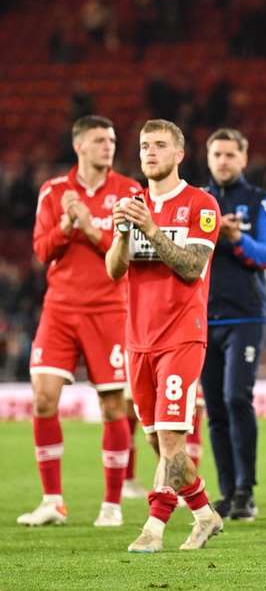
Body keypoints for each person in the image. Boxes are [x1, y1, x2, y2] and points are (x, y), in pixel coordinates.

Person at [106, 119, 223, 552]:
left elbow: (193, 266)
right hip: (139, 337)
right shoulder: (131, 204)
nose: (149, 153)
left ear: (179, 154)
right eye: (143, 146)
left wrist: (151, 230)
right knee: (158, 440)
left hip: (182, 335)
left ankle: (153, 528)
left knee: (173, 439)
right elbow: (114, 269)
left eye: (159, 145)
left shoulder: (200, 203)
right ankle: (205, 514)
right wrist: (122, 233)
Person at [19, 115, 141, 528]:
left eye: (111, 139)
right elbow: (41, 251)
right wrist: (66, 224)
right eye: (99, 140)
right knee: (43, 399)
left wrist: (89, 228)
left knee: (112, 407)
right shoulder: (53, 192)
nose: (108, 146)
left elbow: (130, 257)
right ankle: (53, 500)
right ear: (79, 146)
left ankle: (111, 505)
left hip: (109, 309)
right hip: (60, 309)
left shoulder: (129, 192)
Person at [201, 128, 266, 522]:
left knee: (236, 398)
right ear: (208, 157)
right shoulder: (197, 201)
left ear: (244, 158)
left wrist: (233, 239)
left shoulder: (261, 200)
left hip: (245, 315)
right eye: (217, 154)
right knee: (214, 408)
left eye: (231, 154)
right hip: (201, 317)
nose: (224, 161)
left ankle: (246, 489)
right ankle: (227, 491)